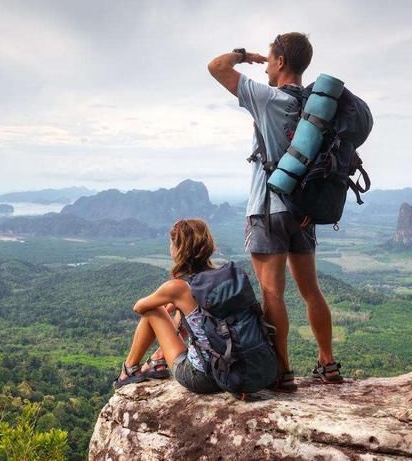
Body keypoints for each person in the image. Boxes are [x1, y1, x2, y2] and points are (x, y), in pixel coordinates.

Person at [207, 32, 343, 391]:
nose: (265, 65)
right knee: (311, 290)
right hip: (304, 210)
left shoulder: (267, 98)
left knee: (272, 294)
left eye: (269, 59)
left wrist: (244, 55)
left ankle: (282, 372)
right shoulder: (316, 107)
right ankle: (328, 364)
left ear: (281, 62)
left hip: (268, 208)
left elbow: (216, 67)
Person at [113, 219, 222, 394]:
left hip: (203, 377)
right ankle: (157, 359)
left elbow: (139, 307)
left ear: (178, 248)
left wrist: (167, 304)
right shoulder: (220, 277)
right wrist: (175, 305)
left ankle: (129, 369)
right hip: (233, 370)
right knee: (185, 311)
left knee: (153, 309)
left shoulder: (178, 287)